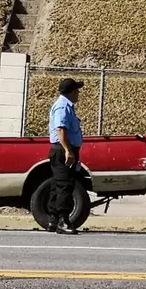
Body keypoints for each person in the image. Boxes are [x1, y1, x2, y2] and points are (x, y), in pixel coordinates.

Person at [47, 77, 85, 235]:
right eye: (77, 91)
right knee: (65, 186)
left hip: (64, 149)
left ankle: (53, 220)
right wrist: (68, 150)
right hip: (63, 150)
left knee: (57, 185)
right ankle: (63, 222)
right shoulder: (63, 106)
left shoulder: (67, 106)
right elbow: (60, 129)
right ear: (72, 92)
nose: (78, 94)